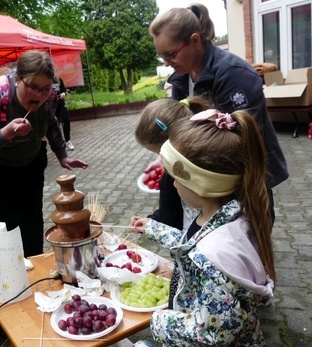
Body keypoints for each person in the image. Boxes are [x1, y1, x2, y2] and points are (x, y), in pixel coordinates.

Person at [131, 108, 275, 346]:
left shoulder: (213, 259)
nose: (173, 184)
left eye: (177, 178)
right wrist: (152, 227)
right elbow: (192, 244)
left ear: (202, 186)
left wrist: (159, 321)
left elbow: (212, 333)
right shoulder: (227, 213)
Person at [148, 2, 288, 225]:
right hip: (211, 179)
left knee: (245, 238)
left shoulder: (234, 75)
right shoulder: (181, 78)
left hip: (245, 174)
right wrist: (162, 157)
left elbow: (240, 139)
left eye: (171, 54)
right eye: (161, 57)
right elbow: (178, 126)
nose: (167, 63)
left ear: (195, 40)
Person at [0, 50, 88, 257]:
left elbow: (50, 123)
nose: (40, 95)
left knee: (32, 223)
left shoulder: (47, 97)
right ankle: (14, 272)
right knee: (10, 228)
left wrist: (62, 154)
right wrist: (5, 133)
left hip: (30, 165)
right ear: (17, 79)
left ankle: (36, 267)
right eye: (33, 88)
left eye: (46, 88)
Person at [135, 97, 210, 230]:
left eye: (160, 152)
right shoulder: (208, 156)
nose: (160, 157)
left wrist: (150, 224)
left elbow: (169, 219)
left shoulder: (174, 176)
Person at [52, 76, 74, 150]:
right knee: (56, 123)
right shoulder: (45, 80)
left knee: (66, 120)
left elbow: (63, 90)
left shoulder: (58, 79)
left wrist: (63, 94)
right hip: (52, 105)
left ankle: (68, 140)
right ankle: (59, 142)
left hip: (61, 103)